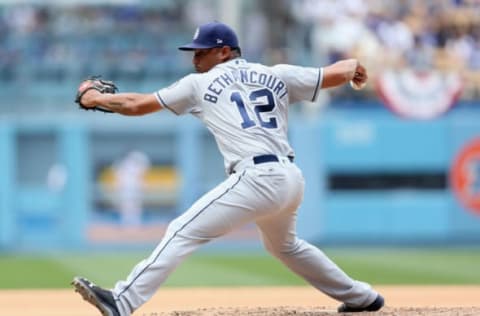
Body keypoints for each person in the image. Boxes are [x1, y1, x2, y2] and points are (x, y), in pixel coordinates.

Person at [72, 21, 384, 316]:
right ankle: (362, 297)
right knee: (285, 246)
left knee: (182, 230)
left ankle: (122, 301)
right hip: (289, 178)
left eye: (202, 51)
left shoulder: (199, 83)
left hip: (256, 178)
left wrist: (95, 98)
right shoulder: (276, 73)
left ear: (225, 51)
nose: (195, 58)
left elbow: (136, 105)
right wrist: (353, 68)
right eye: (194, 51)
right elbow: (334, 72)